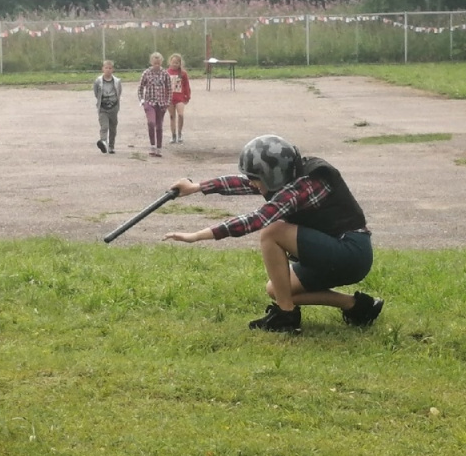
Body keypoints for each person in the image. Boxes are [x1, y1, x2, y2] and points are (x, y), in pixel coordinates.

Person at [163, 134, 384, 333]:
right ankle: (358, 307)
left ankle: (286, 317)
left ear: (273, 175)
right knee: (278, 289)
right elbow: (244, 183)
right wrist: (197, 187)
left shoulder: (305, 185)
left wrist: (197, 235)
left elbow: (257, 220)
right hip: (333, 252)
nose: (252, 182)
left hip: (351, 252)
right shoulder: (288, 176)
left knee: (272, 231)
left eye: (256, 178)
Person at [138, 51, 170, 157]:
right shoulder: (146, 73)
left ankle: (159, 147)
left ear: (161, 62)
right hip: (149, 102)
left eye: (158, 63)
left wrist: (167, 102)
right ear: (151, 62)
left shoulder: (165, 74)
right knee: (151, 123)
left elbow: (169, 89)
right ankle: (152, 145)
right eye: (155, 63)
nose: (156, 65)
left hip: (161, 103)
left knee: (159, 126)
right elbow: (140, 87)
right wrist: (142, 100)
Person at [94, 59, 122, 154]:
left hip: (113, 107)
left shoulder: (117, 81)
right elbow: (96, 93)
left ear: (112, 69)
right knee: (104, 126)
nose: (108, 70)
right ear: (103, 69)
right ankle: (103, 142)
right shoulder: (98, 81)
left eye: (110, 68)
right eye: (106, 68)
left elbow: (119, 92)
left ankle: (111, 146)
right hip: (102, 108)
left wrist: (115, 103)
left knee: (113, 127)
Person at [166, 53, 191, 144]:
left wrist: (187, 96)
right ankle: (173, 135)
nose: (175, 64)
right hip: (170, 98)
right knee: (172, 116)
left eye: (177, 63)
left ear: (180, 63)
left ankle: (180, 133)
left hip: (180, 98)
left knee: (180, 114)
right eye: (173, 62)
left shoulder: (183, 73)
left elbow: (186, 85)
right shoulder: (166, 72)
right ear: (170, 62)